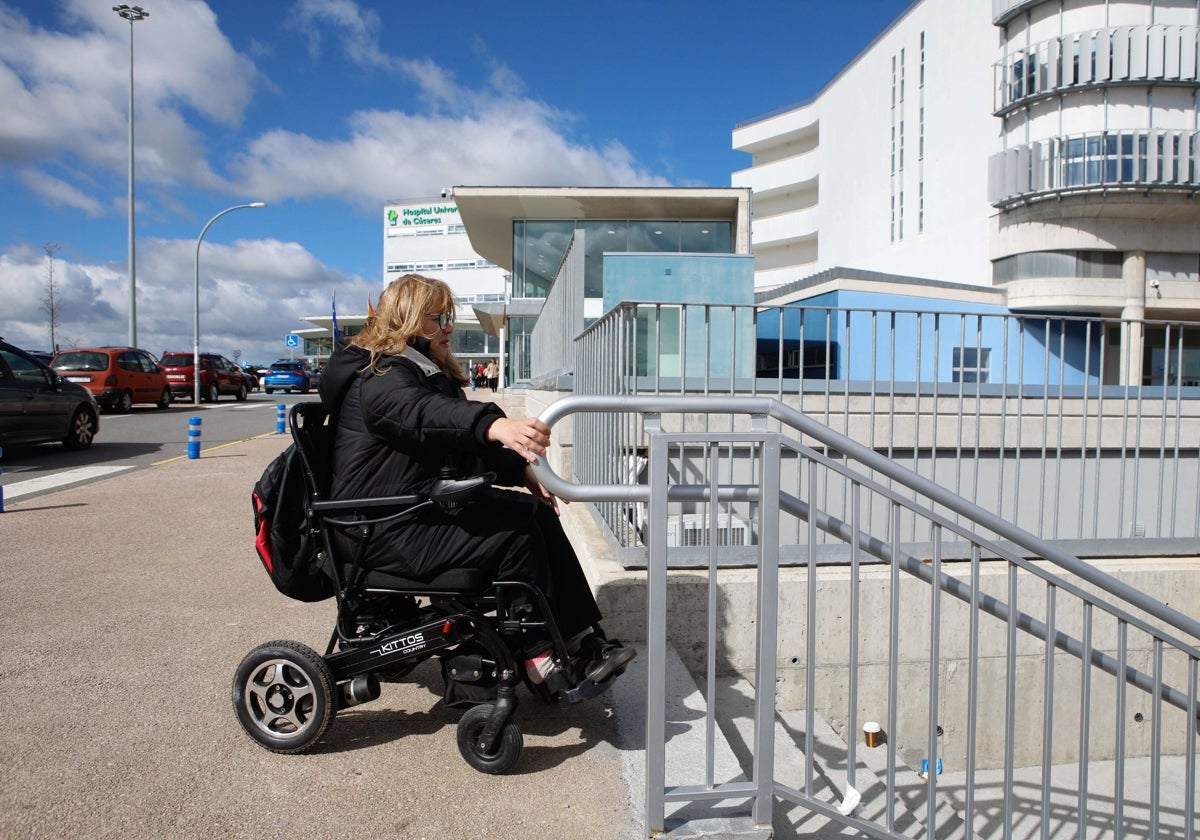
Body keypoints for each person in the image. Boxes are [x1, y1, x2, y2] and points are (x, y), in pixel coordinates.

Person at [318, 273, 634, 687]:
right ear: (408, 319)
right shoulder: (381, 375)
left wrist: (519, 471)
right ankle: (539, 653)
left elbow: (457, 448)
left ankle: (580, 640)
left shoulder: (421, 372)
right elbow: (420, 414)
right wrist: (494, 424)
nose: (447, 327)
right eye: (436, 318)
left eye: (447, 317)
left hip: (410, 512)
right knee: (516, 536)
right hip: (379, 527)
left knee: (533, 513)